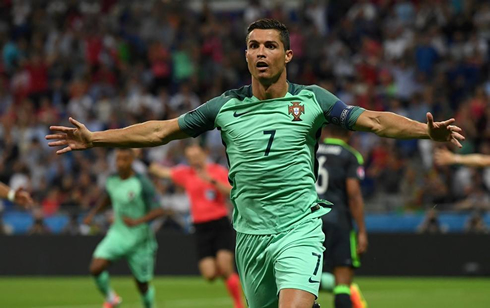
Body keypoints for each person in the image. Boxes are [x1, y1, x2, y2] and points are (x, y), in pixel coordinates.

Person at [47, 19, 464, 308]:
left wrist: (425, 131)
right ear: (245, 55)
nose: (261, 53)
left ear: (288, 55)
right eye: (253, 46)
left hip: (298, 231)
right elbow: (160, 131)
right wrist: (94, 138)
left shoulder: (312, 99)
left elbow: (371, 119)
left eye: (270, 46)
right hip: (249, 237)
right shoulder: (225, 107)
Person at [149, 142, 244, 308]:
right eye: (189, 157)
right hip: (200, 227)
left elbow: (231, 192)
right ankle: (228, 277)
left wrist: (212, 181)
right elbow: (161, 171)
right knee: (209, 274)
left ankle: (239, 304)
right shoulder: (186, 174)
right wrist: (148, 163)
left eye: (195, 155)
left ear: (204, 153)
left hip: (219, 223)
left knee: (225, 265)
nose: (193, 159)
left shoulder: (216, 171)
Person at [83, 149, 165, 308]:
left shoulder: (142, 183)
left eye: (124, 160)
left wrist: (138, 221)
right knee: (96, 268)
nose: (120, 163)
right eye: (118, 160)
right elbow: (108, 198)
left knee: (142, 284)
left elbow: (159, 210)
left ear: (132, 161)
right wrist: (92, 214)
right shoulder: (112, 180)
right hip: (118, 234)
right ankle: (111, 299)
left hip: (140, 239)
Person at [316, 126, 367, 308]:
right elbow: (353, 194)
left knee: (304, 279)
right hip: (338, 220)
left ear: (327, 131)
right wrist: (361, 230)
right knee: (343, 283)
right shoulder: (350, 156)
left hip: (310, 220)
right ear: (350, 133)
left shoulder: (311, 150)